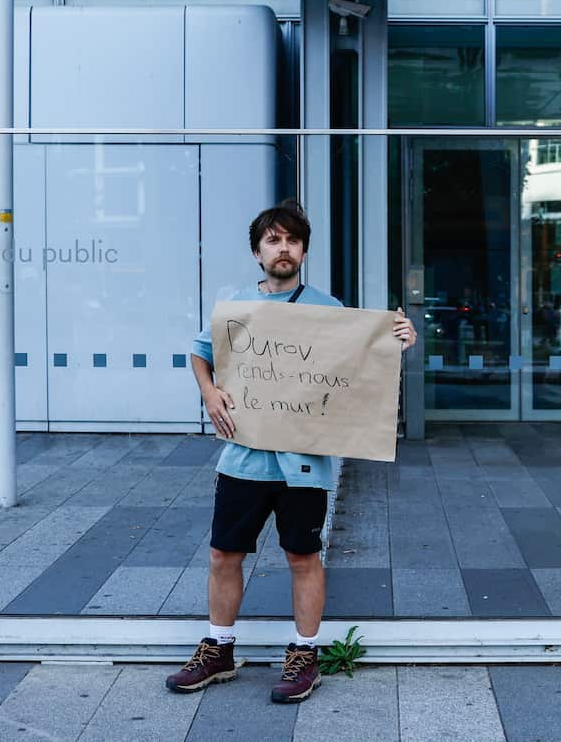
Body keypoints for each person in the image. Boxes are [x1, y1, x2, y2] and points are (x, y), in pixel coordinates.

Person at [165, 200, 416, 703]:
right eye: (274, 241)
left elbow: (361, 370)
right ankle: (219, 649)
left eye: (292, 241)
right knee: (223, 553)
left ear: (303, 250)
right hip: (244, 457)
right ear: (258, 252)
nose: (284, 249)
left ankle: (305, 654)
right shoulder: (238, 307)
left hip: (305, 462)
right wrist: (209, 392)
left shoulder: (330, 309)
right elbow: (200, 352)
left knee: (302, 557)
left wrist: (398, 344)